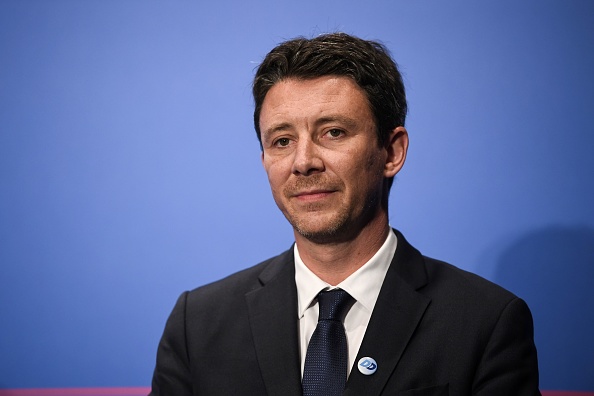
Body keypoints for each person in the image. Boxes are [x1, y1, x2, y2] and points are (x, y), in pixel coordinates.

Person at [150, 33, 540, 395]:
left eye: (333, 132)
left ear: (392, 152)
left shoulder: (484, 323)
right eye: (282, 141)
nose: (303, 163)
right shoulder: (197, 325)